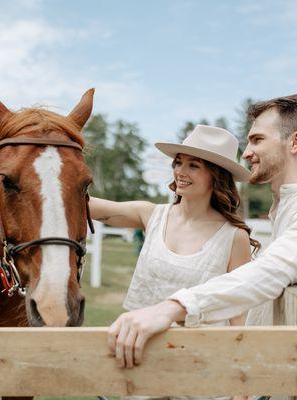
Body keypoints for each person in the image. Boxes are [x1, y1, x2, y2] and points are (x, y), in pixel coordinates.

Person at [107, 94, 297, 369]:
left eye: (257, 140)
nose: (246, 152)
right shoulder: (290, 205)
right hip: (296, 370)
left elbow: (273, 271)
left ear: (295, 142)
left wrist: (170, 308)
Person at [90, 125, 262, 365]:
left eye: (193, 165)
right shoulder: (151, 215)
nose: (180, 171)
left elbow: (239, 312)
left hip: (204, 364)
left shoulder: (234, 237)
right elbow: (86, 205)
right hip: (140, 356)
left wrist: (242, 380)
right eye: (178, 162)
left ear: (217, 175)